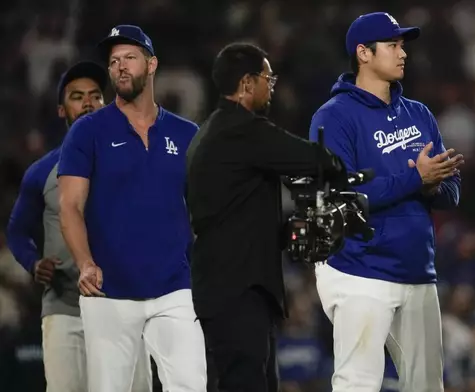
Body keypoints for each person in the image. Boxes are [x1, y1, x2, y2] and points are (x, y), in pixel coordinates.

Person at [309, 12, 464, 392]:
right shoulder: (334, 117)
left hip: (416, 269)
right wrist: (415, 178)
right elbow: (340, 197)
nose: (403, 53)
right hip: (360, 268)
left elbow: (451, 192)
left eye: (403, 45)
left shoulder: (419, 113)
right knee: (357, 383)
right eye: (393, 45)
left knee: (427, 386)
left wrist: (430, 186)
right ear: (363, 53)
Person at [185, 42, 347, 392]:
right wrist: (339, 164)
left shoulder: (211, 132)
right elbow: (316, 159)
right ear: (246, 84)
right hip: (237, 289)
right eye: (267, 79)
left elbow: (235, 212)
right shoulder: (241, 129)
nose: (270, 88)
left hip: (228, 286)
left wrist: (290, 229)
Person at [57, 25, 207, 392]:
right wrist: (85, 262)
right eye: (113, 62)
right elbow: (70, 207)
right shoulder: (87, 131)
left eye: (130, 58)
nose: (120, 67)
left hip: (175, 287)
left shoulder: (186, 134)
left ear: (152, 64)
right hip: (109, 291)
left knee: (191, 386)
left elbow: (205, 209)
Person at [6, 61, 153, 392]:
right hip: (66, 310)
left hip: (125, 309)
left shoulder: (135, 162)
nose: (88, 103)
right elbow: (17, 232)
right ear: (61, 109)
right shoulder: (41, 172)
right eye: (77, 96)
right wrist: (34, 262)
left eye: (96, 96)